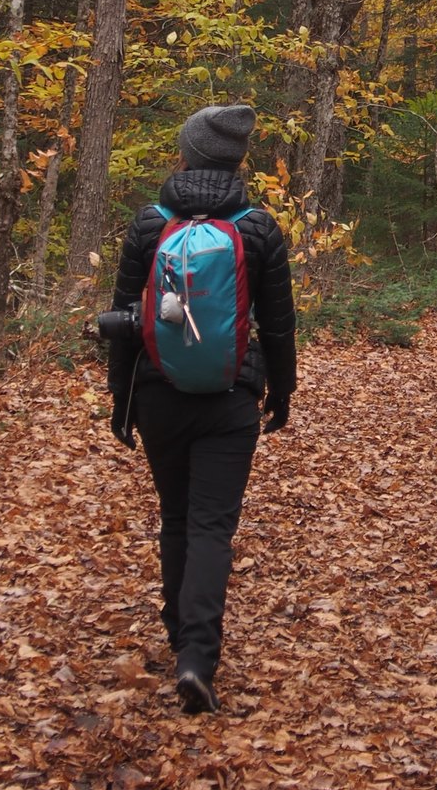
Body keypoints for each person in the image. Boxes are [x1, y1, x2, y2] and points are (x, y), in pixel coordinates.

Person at [105, 103, 297, 714]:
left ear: (187, 153)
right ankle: (197, 657)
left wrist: (121, 401)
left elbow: (124, 326)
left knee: (177, 519)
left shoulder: (148, 224)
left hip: (159, 394)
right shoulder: (259, 227)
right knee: (213, 526)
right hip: (231, 398)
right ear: (237, 163)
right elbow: (279, 325)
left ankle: (176, 630)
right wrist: (282, 392)